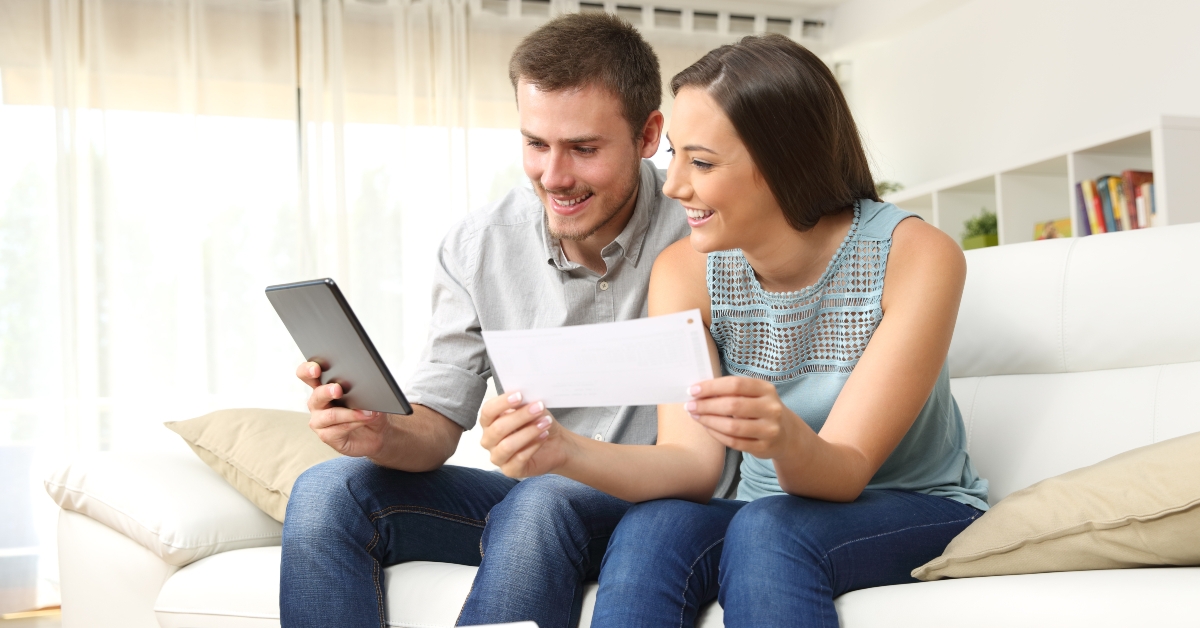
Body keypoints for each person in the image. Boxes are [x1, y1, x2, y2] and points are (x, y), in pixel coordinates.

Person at [480, 34, 989, 627]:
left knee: (769, 528)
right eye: (674, 155)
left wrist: (782, 439)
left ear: (783, 162)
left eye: (701, 162)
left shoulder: (916, 255)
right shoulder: (685, 270)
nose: (671, 185)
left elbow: (846, 470)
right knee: (656, 525)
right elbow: (691, 465)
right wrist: (561, 450)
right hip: (762, 511)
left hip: (913, 505)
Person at [279, 13, 737, 628]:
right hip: (538, 498)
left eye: (583, 148)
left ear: (650, 134)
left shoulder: (704, 231)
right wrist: (379, 432)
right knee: (328, 491)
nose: (554, 177)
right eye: (535, 144)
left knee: (541, 499)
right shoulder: (478, 246)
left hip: (661, 504)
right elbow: (437, 424)